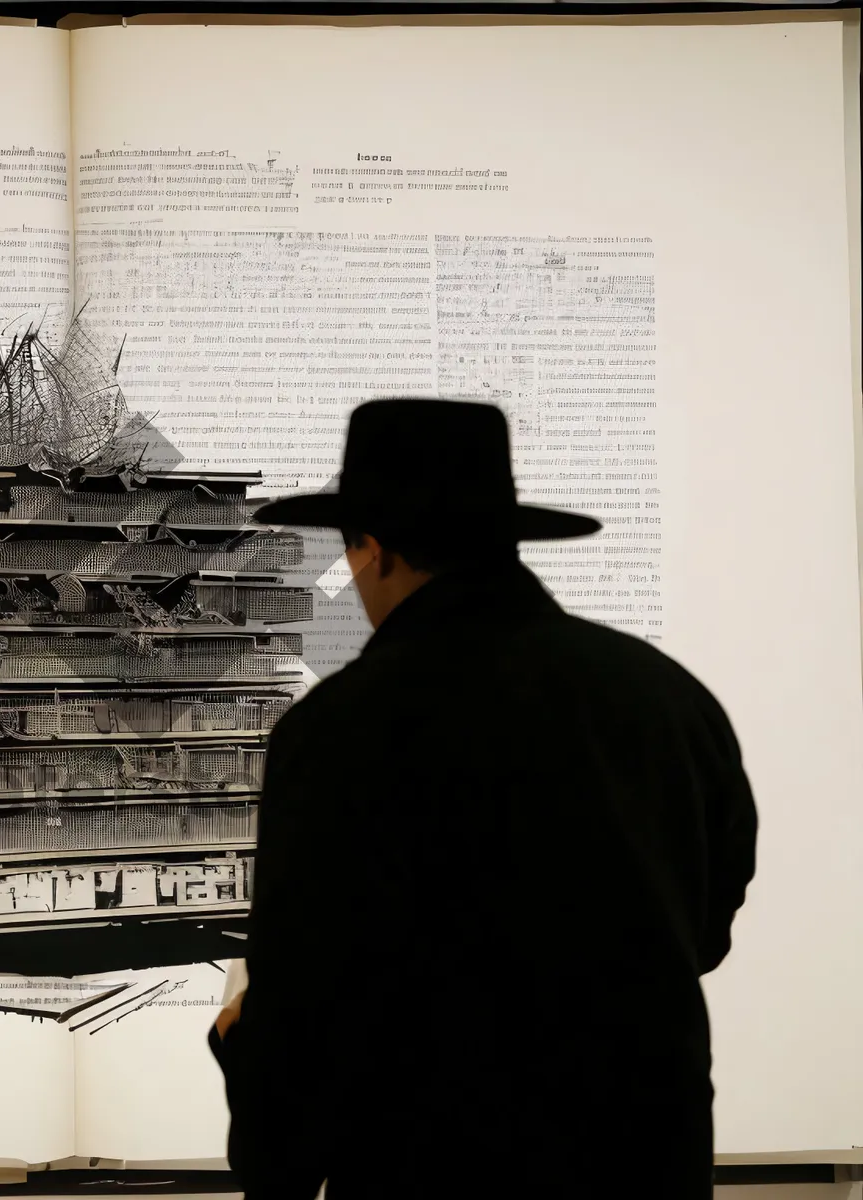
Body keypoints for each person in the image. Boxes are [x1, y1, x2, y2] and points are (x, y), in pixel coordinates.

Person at [208, 399, 757, 1199]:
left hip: (433, 1167)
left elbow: (307, 1004)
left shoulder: (338, 729)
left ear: (374, 548)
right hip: (646, 1161)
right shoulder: (667, 698)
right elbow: (702, 932)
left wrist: (252, 1084)